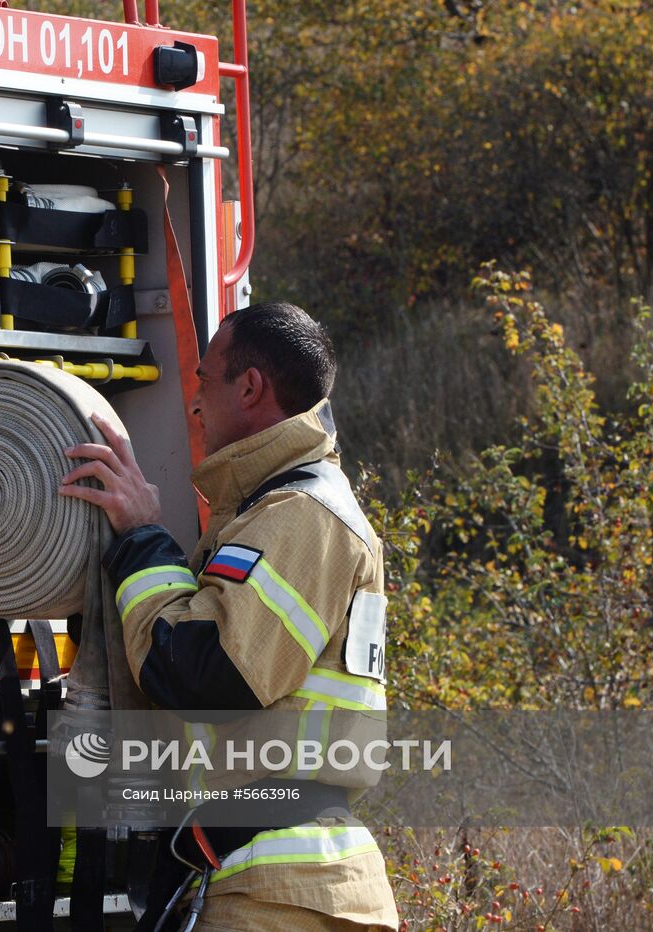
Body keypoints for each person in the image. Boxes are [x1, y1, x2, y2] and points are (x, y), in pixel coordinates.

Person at [59, 302, 399, 931]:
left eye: (205, 381)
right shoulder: (271, 514)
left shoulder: (300, 516)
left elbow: (206, 674)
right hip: (280, 884)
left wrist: (140, 538)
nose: (193, 404)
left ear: (250, 388)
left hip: (281, 896)